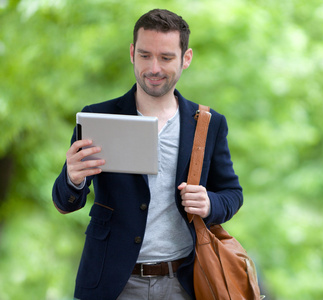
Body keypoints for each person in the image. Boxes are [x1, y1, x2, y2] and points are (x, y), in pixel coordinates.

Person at [52, 8, 243, 300]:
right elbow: (64, 202)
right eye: (145, 55)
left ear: (186, 58)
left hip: (184, 281)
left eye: (166, 58)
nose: (153, 67)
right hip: (111, 283)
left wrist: (209, 203)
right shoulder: (96, 117)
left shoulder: (208, 124)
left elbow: (232, 193)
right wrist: (72, 178)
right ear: (132, 53)